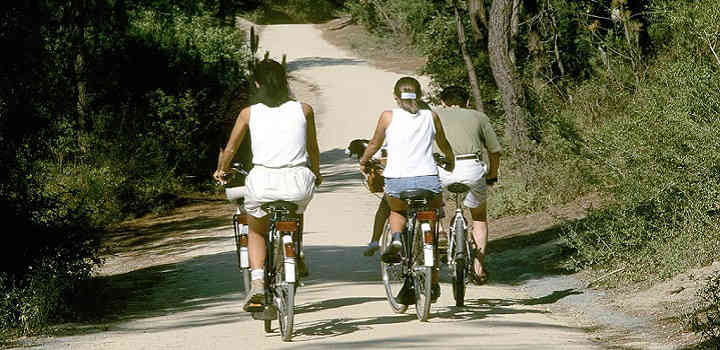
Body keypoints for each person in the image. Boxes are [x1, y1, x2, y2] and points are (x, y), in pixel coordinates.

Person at [213, 59, 322, 312]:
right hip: (298, 182)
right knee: (294, 213)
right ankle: (295, 251)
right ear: (285, 82)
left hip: (262, 182)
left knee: (257, 230)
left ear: (257, 83)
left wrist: (222, 170)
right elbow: (312, 149)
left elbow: (231, 149)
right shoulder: (304, 110)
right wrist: (316, 173)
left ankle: (258, 281)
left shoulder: (249, 113)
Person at [358, 76, 455, 302]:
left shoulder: (387, 116)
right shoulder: (431, 116)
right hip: (428, 180)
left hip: (398, 180)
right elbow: (443, 143)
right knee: (431, 215)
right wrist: (450, 160)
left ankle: (397, 239)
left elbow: (374, 144)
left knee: (397, 211)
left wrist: (364, 161)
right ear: (420, 96)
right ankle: (434, 244)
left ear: (395, 97)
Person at [435, 86, 501, 285]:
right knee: (479, 217)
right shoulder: (478, 117)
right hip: (471, 167)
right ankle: (478, 267)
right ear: (467, 102)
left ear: (442, 102)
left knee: (431, 203)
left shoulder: (432, 115)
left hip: (442, 168)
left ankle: (439, 230)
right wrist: (492, 174)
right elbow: (495, 150)